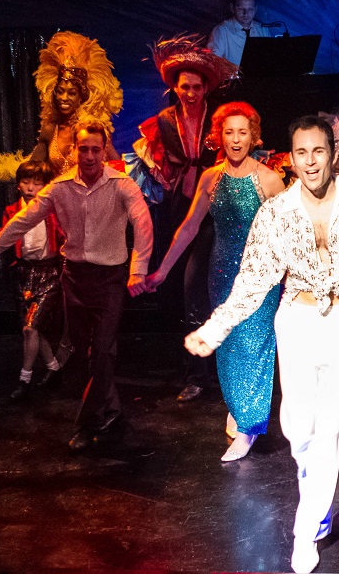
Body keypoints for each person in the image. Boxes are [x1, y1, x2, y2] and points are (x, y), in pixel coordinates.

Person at [184, 115, 339, 573]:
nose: (311, 162)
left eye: (319, 151)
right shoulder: (275, 214)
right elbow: (252, 282)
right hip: (295, 318)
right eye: (302, 153)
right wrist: (216, 329)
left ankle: (306, 527)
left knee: (328, 423)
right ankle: (334, 491)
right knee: (299, 429)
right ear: (290, 158)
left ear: (332, 154)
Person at [0, 120, 153, 453]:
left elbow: (143, 224)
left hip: (110, 280)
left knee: (102, 352)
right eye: (84, 149)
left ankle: (87, 423)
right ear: (74, 150)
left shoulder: (123, 185)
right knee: (86, 355)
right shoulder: (59, 188)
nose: (91, 156)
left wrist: (138, 270)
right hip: (74, 279)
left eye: (97, 149)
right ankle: (113, 411)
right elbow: (19, 224)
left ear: (104, 149)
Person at [145, 102, 285, 461]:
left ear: (254, 135)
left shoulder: (269, 179)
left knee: (254, 344)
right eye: (229, 131)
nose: (236, 139)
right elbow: (190, 227)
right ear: (218, 136)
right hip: (221, 272)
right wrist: (162, 270)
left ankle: (250, 425)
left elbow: (290, 233)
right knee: (228, 345)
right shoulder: (211, 178)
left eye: (243, 132)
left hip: (260, 277)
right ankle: (239, 405)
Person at [131, 34, 237, 403]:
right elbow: (158, 171)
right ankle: (197, 371)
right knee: (185, 291)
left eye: (196, 87)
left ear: (206, 88)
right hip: (181, 211)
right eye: (184, 87)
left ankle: (214, 372)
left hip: (218, 210)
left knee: (210, 288)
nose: (190, 93)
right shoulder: (162, 122)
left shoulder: (220, 120)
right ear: (174, 89)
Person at [0, 160, 68, 400]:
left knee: (30, 328)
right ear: (18, 184)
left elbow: (65, 236)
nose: (31, 188)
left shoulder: (52, 210)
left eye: (37, 183)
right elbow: (2, 239)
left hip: (48, 273)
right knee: (32, 328)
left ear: (45, 186)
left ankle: (24, 378)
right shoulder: (12, 210)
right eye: (26, 182)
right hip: (23, 273)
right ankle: (53, 368)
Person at [30, 31, 123, 175]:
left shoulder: (93, 130)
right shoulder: (50, 130)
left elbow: (118, 169)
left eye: (72, 93)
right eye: (60, 91)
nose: (64, 97)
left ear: (81, 97)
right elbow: (32, 170)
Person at [207, 0, 271, 67]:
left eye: (250, 9)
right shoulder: (221, 31)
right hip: (231, 79)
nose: (246, 14)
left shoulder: (263, 30)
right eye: (241, 9)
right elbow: (212, 62)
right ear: (232, 8)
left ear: (255, 9)